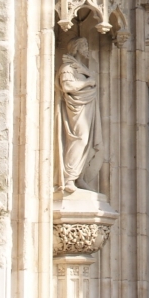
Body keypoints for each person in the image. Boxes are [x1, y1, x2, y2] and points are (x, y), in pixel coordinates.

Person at [55, 38, 103, 193]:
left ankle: (79, 176)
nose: (87, 48)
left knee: (87, 140)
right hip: (75, 110)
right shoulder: (67, 68)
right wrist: (87, 83)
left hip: (86, 108)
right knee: (80, 139)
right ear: (76, 48)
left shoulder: (81, 69)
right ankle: (69, 177)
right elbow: (68, 86)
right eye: (84, 45)